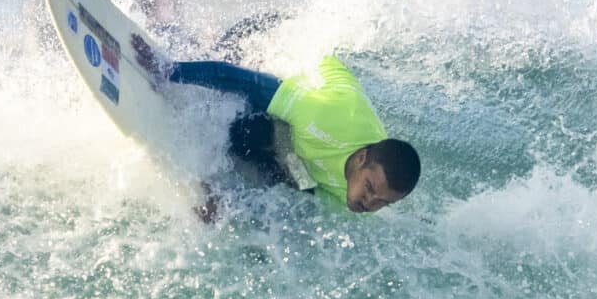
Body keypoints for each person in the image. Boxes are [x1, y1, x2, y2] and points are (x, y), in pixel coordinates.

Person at [159, 50, 421, 215]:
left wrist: (228, 203)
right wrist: (169, 70)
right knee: (249, 131)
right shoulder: (325, 117)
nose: (370, 202)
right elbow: (240, 80)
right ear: (361, 158)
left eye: (382, 202)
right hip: (279, 55)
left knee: (285, 190)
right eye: (369, 187)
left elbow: (292, 197)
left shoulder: (355, 198)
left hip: (298, 141)